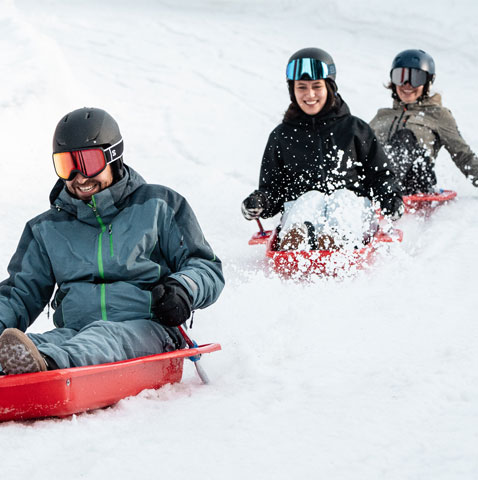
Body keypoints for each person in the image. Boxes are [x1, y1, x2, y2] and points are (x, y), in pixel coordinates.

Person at [0, 107, 224, 375]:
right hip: (75, 332)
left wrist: (182, 289)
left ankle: (47, 367)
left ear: (113, 156)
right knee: (39, 345)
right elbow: (18, 294)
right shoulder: (47, 228)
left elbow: (206, 266)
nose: (79, 177)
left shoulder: (159, 205)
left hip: (149, 328)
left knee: (103, 336)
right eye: (66, 165)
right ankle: (30, 363)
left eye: (88, 162)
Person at [241, 47, 403, 251]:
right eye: (301, 87)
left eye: (317, 86)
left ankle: (338, 238)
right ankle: (297, 238)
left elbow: (380, 174)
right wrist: (261, 201)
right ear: (293, 90)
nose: (309, 95)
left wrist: (390, 198)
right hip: (301, 209)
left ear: (330, 87)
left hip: (353, 209)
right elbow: (273, 189)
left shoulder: (355, 129)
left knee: (343, 198)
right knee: (308, 198)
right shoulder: (282, 136)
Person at [370, 49, 478, 195]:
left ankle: (388, 191)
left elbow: (463, 155)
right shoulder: (382, 115)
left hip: (415, 183)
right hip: (378, 183)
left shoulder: (438, 115)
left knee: (404, 138)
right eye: (400, 77)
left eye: (416, 78)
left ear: (428, 82)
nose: (407, 85)